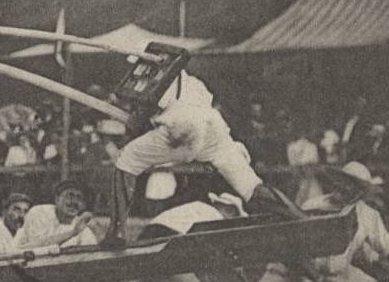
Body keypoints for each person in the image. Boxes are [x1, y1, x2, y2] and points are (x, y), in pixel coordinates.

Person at [108, 67, 299, 245]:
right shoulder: (186, 77)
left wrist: (135, 120)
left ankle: (116, 233)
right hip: (213, 125)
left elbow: (138, 123)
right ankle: (299, 219)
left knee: (126, 160)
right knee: (251, 186)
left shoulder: (143, 83)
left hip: (183, 129)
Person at [253, 162, 389, 282]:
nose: (344, 187)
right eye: (342, 180)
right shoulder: (312, 206)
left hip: (336, 277)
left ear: (361, 192)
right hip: (298, 276)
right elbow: (292, 251)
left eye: (353, 185)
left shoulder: (367, 215)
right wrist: (320, 281)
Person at [112, 174, 239, 282]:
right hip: (166, 251)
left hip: (144, 247)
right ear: (229, 211)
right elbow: (219, 257)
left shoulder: (194, 208)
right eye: (234, 217)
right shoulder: (215, 217)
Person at [17, 178, 100, 251]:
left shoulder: (82, 227)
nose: (74, 202)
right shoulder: (39, 212)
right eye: (69, 196)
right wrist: (72, 233)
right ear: (57, 199)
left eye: (79, 198)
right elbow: (34, 248)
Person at [0, 192, 32, 258]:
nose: (21, 215)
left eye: (25, 211)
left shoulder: (25, 232)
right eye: (17, 210)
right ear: (5, 211)